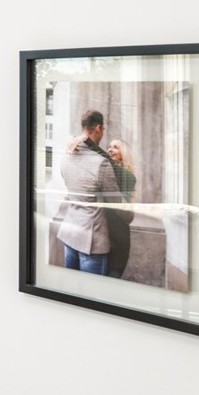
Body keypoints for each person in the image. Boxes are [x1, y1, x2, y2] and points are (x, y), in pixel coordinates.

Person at [53, 109, 125, 274]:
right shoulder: (102, 164)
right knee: (93, 293)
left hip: (70, 233)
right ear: (99, 128)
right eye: (103, 129)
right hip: (91, 241)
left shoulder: (65, 157)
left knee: (71, 291)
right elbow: (116, 203)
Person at [102, 138, 137, 279]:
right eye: (109, 146)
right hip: (103, 232)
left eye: (115, 147)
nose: (110, 149)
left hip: (118, 236)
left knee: (112, 276)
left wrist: (84, 140)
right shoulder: (105, 171)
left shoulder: (128, 176)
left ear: (124, 154)